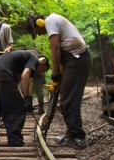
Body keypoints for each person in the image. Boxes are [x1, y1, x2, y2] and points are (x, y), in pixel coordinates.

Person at [28, 13, 91, 146]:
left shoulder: (50, 21)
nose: (39, 34)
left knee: (69, 99)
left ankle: (77, 137)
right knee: (67, 99)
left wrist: (55, 71)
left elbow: (55, 47)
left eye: (37, 31)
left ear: (40, 22)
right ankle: (72, 134)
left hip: (77, 60)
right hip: (74, 60)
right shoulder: (55, 20)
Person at [0, 50, 49, 147]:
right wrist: (26, 98)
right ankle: (15, 140)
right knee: (16, 109)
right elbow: (25, 76)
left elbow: (16, 84)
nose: (40, 73)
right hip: (2, 75)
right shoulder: (34, 59)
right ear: (42, 63)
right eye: (43, 70)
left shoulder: (19, 60)